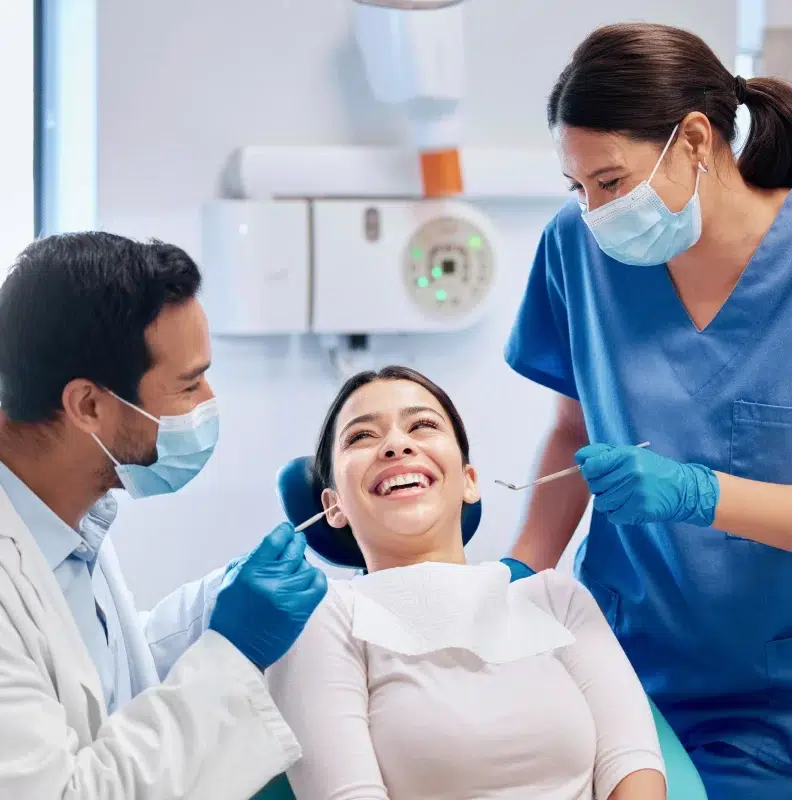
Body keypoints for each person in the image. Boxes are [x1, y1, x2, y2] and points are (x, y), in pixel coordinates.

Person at [504, 21, 792, 800]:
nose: (594, 211)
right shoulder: (575, 247)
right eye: (576, 187)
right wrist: (520, 572)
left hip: (779, 699)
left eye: (610, 182)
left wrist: (700, 495)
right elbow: (574, 429)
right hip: (616, 662)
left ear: (695, 139)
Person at [0, 233, 327, 799]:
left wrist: (216, 606)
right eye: (187, 384)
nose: (207, 400)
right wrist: (234, 650)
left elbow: (95, 680)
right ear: (89, 406)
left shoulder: (63, 515)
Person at [268, 365, 667, 800]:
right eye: (362, 436)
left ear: (469, 481)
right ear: (333, 507)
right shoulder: (323, 619)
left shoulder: (555, 598)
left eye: (422, 425)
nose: (396, 445)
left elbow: (634, 766)